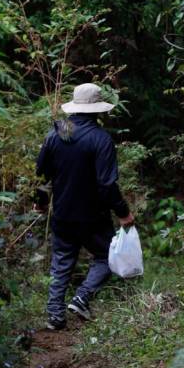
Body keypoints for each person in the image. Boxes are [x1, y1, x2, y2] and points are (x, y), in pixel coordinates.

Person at [35, 83, 135, 330]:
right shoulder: (100, 139)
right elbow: (106, 184)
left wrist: (40, 202)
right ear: (98, 110)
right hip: (93, 216)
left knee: (61, 262)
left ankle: (55, 316)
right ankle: (82, 297)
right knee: (106, 257)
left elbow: (41, 174)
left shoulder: (59, 131)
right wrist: (122, 212)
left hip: (62, 213)